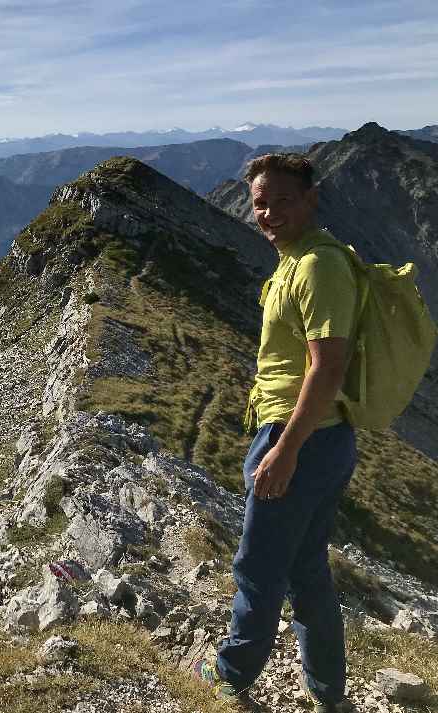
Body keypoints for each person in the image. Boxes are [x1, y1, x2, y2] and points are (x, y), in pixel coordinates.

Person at [192, 154, 358, 712]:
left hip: (301, 439)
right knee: (306, 566)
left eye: (282, 200)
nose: (268, 212)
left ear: (312, 197)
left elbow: (327, 368)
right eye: (260, 202)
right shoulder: (295, 260)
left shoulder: (317, 267)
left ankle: (231, 678)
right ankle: (329, 692)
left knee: (259, 568)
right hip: (315, 437)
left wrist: (284, 451)